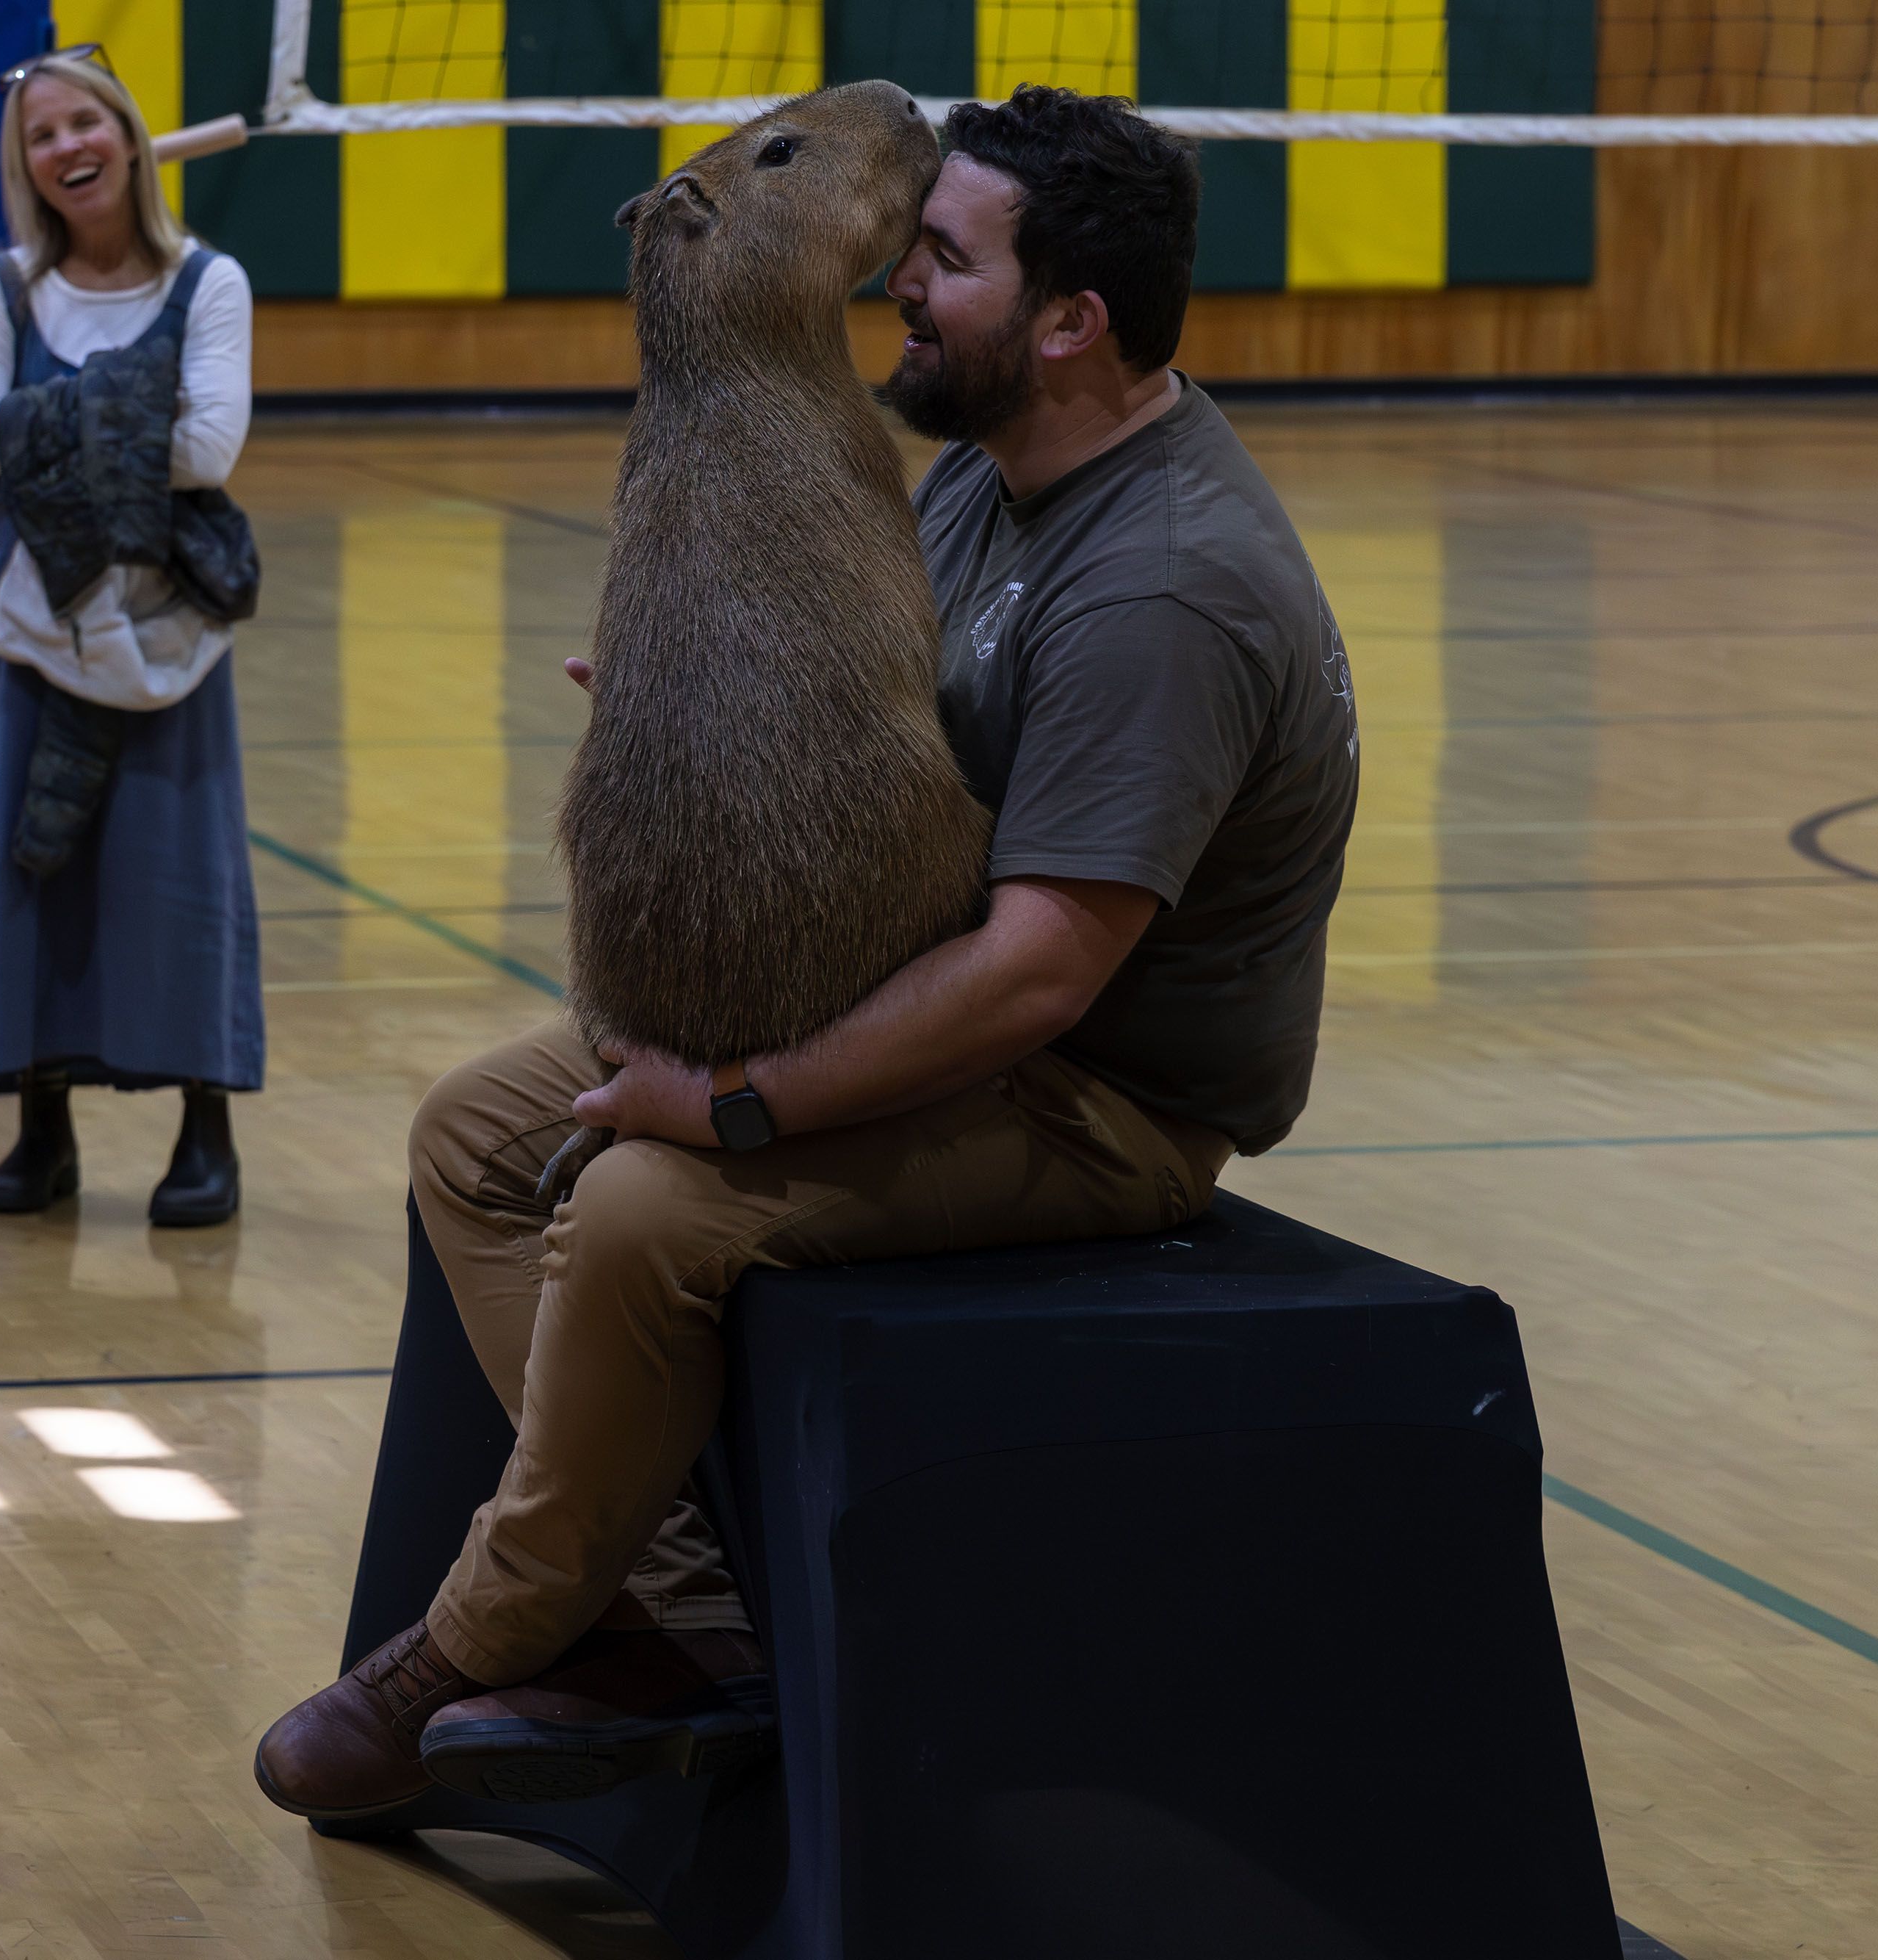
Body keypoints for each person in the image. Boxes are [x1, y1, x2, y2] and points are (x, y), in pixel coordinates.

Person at [253, 84, 1359, 1814]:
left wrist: (738, 1105)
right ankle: (696, 1621)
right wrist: (705, 708)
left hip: (1092, 1099)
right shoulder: (997, 479)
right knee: (479, 1132)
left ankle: (478, 1634)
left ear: (1072, 320)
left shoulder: (1161, 585)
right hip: (912, 970)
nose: (900, 278)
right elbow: (887, 719)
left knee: (634, 1198)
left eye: (945, 257)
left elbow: (1039, 973)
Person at [0, 48, 263, 1228]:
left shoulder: (210, 282)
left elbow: (209, 453)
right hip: (16, 615)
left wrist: (46, 426)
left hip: (165, 615)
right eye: (41, 135)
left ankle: (204, 1133)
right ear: (26, 166)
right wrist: (127, 411)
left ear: (125, 134)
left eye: (84, 124)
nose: (67, 147)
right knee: (26, 867)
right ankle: (41, 1129)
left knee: (175, 869)